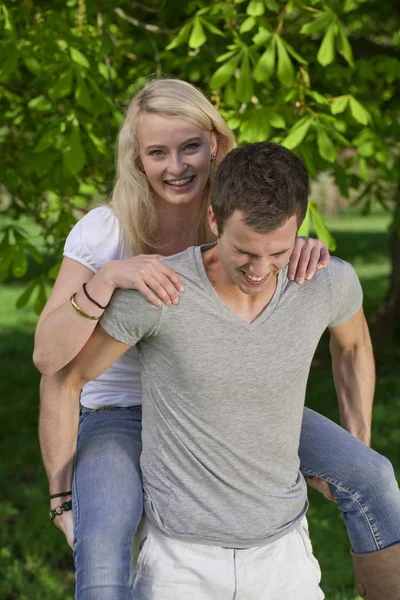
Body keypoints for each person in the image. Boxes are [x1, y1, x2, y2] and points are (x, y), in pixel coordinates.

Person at [35, 80, 400, 600]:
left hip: (222, 399)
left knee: (372, 476)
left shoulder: (241, 209)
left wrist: (297, 251)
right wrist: (107, 277)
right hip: (120, 409)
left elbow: (318, 302)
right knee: (102, 552)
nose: (177, 166)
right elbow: (52, 361)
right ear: (137, 159)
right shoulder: (104, 231)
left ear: (215, 144)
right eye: (157, 152)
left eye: (189, 147)